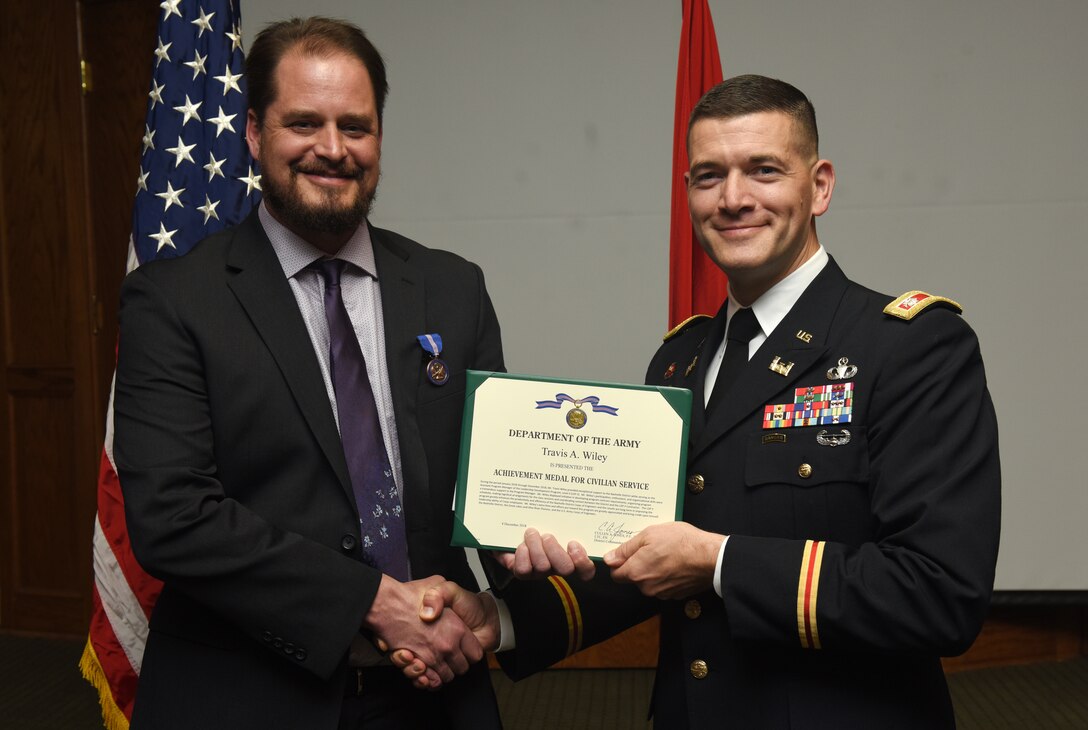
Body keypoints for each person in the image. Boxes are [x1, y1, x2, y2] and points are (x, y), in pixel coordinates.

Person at [401, 75, 1001, 729]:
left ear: (819, 184)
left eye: (763, 170)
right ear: (688, 193)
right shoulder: (682, 360)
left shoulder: (910, 347)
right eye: (709, 176)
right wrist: (503, 618)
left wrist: (719, 561)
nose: (734, 199)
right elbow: (649, 561)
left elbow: (940, 593)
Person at [113, 17, 504, 730]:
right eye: (304, 123)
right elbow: (172, 518)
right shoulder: (173, 302)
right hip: (246, 697)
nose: (333, 149)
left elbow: (496, 488)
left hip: (433, 696)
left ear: (379, 137)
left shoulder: (453, 289)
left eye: (355, 126)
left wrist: (520, 597)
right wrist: (373, 601)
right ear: (256, 134)